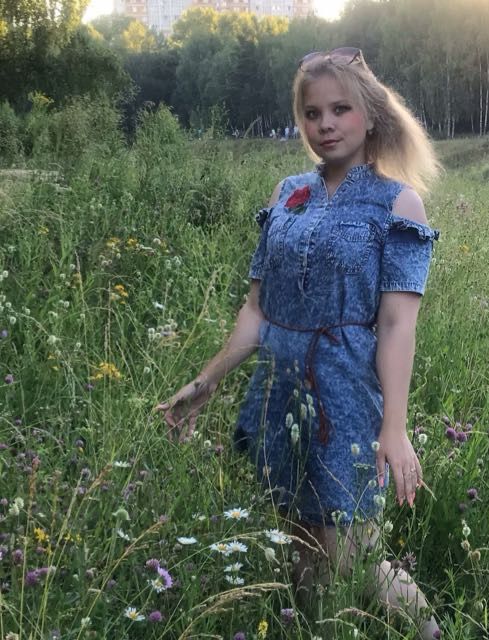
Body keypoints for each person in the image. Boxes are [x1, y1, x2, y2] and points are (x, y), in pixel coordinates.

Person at [155, 46, 442, 639]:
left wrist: (394, 427)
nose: (325, 124)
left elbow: (397, 326)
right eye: (312, 113)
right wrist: (206, 382)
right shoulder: (287, 194)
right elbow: (257, 311)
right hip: (278, 394)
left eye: (340, 109)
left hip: (346, 397)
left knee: (354, 556)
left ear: (370, 114)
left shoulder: (396, 203)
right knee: (301, 550)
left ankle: (436, 633)